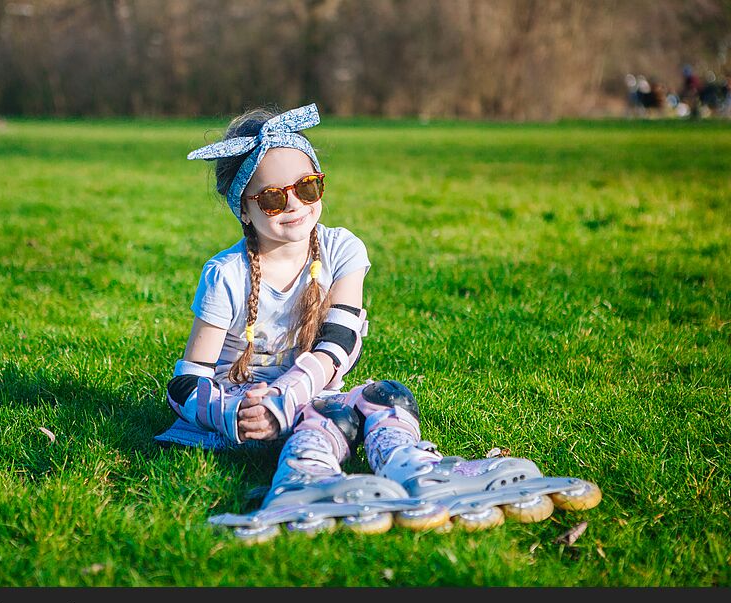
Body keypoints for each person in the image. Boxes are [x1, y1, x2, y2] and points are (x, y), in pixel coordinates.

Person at [155, 103, 600, 540]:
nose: (294, 204)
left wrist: (287, 396)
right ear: (244, 210)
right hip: (247, 405)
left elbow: (339, 343)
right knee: (323, 415)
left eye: (307, 187)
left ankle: (413, 469)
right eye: (272, 198)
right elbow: (186, 382)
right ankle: (303, 479)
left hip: (307, 391)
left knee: (385, 397)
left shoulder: (341, 249)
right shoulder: (226, 275)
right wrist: (236, 413)